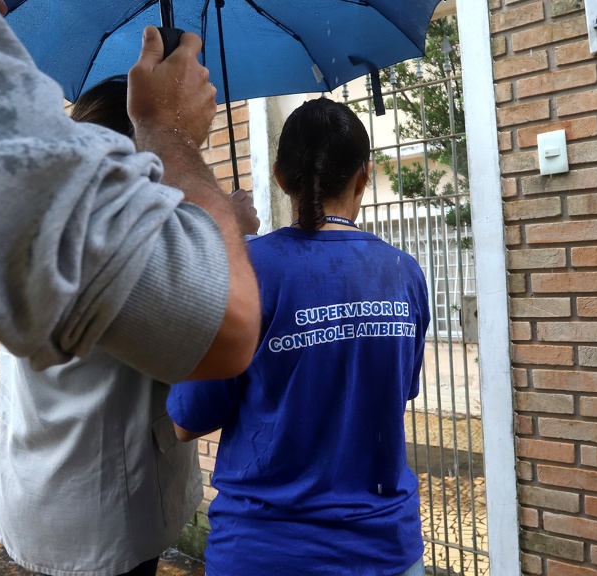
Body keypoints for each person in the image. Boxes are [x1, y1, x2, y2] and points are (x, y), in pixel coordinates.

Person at [0, 0, 262, 574]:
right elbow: (225, 326)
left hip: (29, 495)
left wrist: (198, 208)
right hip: (104, 522)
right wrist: (173, 140)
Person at [0, 78, 258, 576]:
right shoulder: (111, 243)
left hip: (35, 489)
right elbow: (224, 339)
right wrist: (221, 220)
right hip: (99, 519)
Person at [167, 98, 430, 576]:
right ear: (363, 177)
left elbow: (186, 420)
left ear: (280, 176)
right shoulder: (404, 273)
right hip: (385, 550)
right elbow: (395, 392)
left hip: (265, 552)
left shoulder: (246, 272)